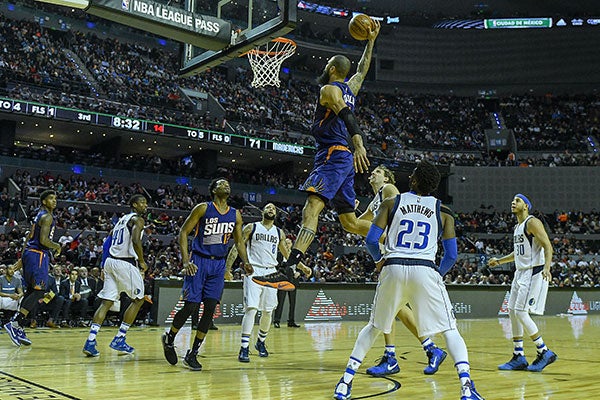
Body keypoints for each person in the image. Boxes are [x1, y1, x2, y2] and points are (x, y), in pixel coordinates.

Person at [333, 160, 484, 400]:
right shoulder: (443, 211)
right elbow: (452, 254)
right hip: (425, 268)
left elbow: (372, 240)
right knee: (449, 329)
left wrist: (378, 261)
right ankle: (466, 386)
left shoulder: (392, 202)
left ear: (412, 180)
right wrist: (438, 274)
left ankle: (345, 382)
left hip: (393, 267)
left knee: (374, 326)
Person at [253, 19, 381, 290]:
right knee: (350, 223)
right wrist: (370, 41)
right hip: (341, 159)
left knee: (312, 207)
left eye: (326, 66)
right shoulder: (351, 88)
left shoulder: (329, 90)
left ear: (332, 69)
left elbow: (347, 116)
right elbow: (362, 69)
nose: (323, 69)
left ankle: (288, 268)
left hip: (333, 156)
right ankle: (393, 236)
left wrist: (359, 143)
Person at [360, 165, 447, 377]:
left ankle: (395, 356)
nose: (373, 173)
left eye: (378, 172)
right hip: (393, 252)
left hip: (398, 253)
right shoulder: (376, 200)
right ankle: (429, 348)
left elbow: (400, 217)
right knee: (396, 308)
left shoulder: (389, 190)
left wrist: (383, 241)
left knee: (392, 306)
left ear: (387, 178)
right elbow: (358, 223)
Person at [161, 178, 252, 371]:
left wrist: (245, 262)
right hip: (199, 261)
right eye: (221, 183)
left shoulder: (235, 215)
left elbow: (239, 242)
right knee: (191, 307)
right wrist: (186, 262)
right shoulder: (203, 208)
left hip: (218, 265)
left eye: (228, 183)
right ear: (213, 190)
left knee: (210, 308)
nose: (226, 185)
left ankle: (192, 353)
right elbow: (183, 232)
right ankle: (169, 338)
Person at [226, 203, 309, 363]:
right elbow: (238, 246)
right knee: (251, 309)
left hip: (271, 271)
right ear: (262, 211)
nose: (271, 209)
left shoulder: (279, 233)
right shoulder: (251, 227)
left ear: (276, 214)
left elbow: (288, 254)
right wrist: (227, 268)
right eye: (268, 207)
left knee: (268, 311)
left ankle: (260, 342)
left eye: (273, 208)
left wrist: (302, 266)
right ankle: (244, 347)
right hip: (253, 270)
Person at [488, 194, 557, 372]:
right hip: (520, 272)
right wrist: (499, 261)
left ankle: (544, 351)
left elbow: (548, 246)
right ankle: (518, 355)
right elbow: (517, 254)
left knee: (521, 311)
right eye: (512, 200)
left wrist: (547, 268)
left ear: (526, 206)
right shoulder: (518, 227)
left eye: (517, 200)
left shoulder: (532, 223)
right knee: (512, 310)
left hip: (533, 271)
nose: (513, 202)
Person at [82, 194, 149, 357]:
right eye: (142, 203)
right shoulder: (138, 220)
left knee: (106, 302)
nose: (145, 206)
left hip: (111, 262)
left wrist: (104, 264)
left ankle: (90, 341)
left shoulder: (121, 221)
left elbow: (107, 242)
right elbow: (135, 240)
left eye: (146, 203)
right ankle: (120, 338)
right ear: (134, 205)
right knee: (139, 300)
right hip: (125, 263)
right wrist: (141, 261)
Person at [4, 190, 61, 347]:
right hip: (38, 254)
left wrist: (23, 259)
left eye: (55, 198)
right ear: (43, 201)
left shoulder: (39, 215)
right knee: (39, 291)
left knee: (31, 291)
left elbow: (29, 237)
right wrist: (57, 245)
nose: (54, 201)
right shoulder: (47, 216)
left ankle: (19, 326)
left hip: (30, 254)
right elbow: (43, 240)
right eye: (50, 198)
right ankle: (15, 322)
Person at [273, 239, 306, 329]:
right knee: (280, 301)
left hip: (293, 280)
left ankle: (291, 321)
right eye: (286, 243)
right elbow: (275, 267)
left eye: (289, 243)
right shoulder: (279, 255)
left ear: (292, 244)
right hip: (283, 280)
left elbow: (301, 266)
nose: (287, 245)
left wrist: (299, 272)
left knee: (293, 302)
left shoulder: (295, 255)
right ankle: (276, 321)